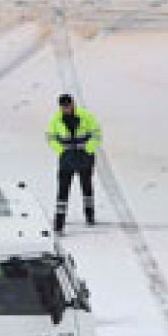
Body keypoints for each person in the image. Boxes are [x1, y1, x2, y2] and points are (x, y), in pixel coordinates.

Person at [46, 93, 102, 233]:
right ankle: (59, 223)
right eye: (63, 107)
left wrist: (88, 149)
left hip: (84, 157)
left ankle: (89, 215)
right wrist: (61, 151)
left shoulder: (86, 116)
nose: (66, 109)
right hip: (67, 159)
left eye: (68, 106)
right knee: (62, 191)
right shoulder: (55, 120)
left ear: (72, 104)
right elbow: (50, 138)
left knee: (87, 188)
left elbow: (97, 134)